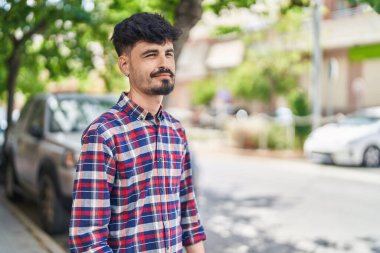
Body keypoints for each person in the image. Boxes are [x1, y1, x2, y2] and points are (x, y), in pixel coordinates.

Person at [69, 12, 206, 253]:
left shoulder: (176, 130)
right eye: (151, 54)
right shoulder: (103, 134)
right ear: (125, 64)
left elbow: (189, 219)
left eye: (168, 53)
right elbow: (87, 241)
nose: (164, 63)